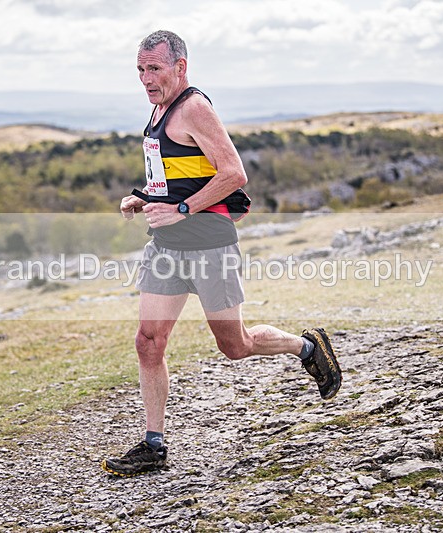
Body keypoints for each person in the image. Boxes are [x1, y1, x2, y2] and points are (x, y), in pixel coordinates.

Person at [102, 30, 342, 477]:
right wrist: (145, 197)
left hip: (209, 243)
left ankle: (307, 347)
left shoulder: (194, 107)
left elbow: (234, 173)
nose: (146, 78)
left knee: (236, 346)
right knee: (148, 341)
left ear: (180, 67)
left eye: (154, 68)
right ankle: (154, 444)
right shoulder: (159, 108)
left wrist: (181, 209)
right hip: (167, 246)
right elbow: (180, 171)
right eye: (140, 69)